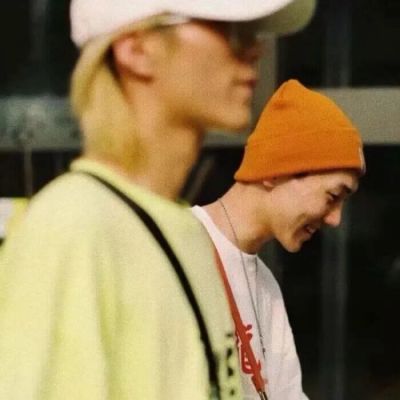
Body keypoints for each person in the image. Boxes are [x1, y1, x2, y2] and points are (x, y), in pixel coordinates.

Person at [0, 1, 316, 399]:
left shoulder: (187, 231)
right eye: (229, 30)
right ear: (136, 49)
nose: (256, 49)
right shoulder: (74, 226)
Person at [192, 79, 366, 400]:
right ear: (274, 171)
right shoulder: (179, 250)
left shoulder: (266, 286)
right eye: (332, 196)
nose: (335, 219)